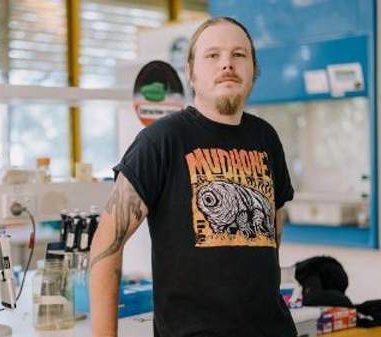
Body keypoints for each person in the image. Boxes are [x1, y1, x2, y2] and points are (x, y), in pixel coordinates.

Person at [89, 16, 296, 337]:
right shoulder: (160, 141)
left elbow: (272, 233)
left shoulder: (266, 138)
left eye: (239, 55)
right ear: (191, 73)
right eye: (212, 55)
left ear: (253, 70)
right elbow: (106, 246)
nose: (227, 64)